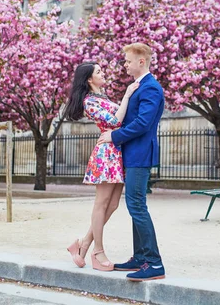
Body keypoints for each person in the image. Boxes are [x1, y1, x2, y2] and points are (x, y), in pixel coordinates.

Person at [97, 43, 166, 281]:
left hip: (140, 154)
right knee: (134, 204)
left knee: (137, 205)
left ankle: (154, 263)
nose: (125, 64)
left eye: (127, 61)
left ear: (141, 62)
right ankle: (140, 257)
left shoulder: (151, 88)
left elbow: (143, 124)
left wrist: (113, 136)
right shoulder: (139, 87)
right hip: (133, 153)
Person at [62, 62, 139, 271]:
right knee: (101, 203)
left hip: (117, 152)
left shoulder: (102, 97)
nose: (103, 73)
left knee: (112, 204)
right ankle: (98, 250)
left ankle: (83, 244)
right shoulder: (89, 101)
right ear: (89, 79)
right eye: (98, 71)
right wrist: (127, 95)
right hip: (106, 154)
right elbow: (114, 121)